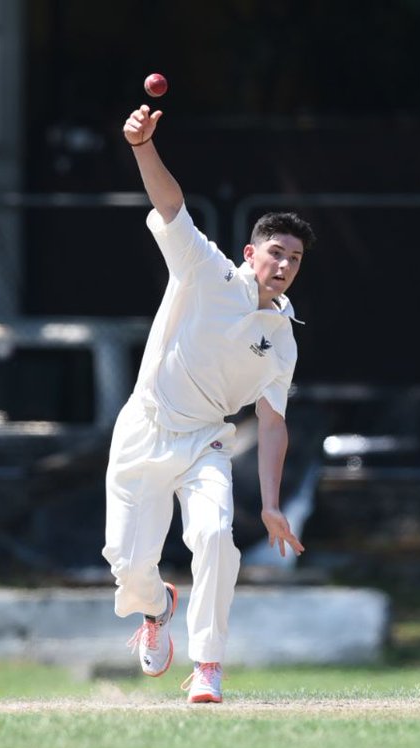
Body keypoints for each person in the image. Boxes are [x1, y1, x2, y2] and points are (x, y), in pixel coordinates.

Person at [101, 105, 315, 703]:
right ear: (250, 253)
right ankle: (156, 605)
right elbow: (172, 206)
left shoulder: (283, 340)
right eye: (275, 251)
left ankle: (208, 666)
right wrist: (142, 146)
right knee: (127, 563)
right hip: (144, 428)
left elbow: (272, 424)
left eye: (295, 259)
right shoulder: (205, 271)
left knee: (217, 537)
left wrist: (271, 505)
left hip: (205, 443)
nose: (284, 265)